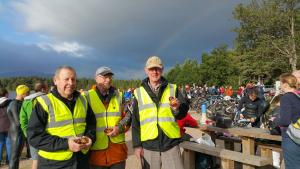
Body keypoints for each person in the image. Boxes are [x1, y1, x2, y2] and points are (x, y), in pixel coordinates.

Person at [27, 66, 96, 169]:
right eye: (66, 79)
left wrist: (90, 137)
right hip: (53, 163)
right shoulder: (44, 102)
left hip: (81, 160)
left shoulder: (83, 100)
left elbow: (92, 124)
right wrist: (66, 144)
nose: (71, 83)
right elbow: (34, 136)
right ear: (56, 81)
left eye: (73, 79)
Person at [132, 56, 188, 169]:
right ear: (146, 70)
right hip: (149, 146)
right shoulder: (138, 93)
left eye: (157, 69)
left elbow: (183, 113)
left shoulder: (173, 89)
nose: (155, 72)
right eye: (151, 69)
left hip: (170, 144)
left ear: (162, 70)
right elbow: (135, 122)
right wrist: (137, 146)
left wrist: (176, 109)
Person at [86, 66, 131, 169]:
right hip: (95, 155)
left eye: (110, 76)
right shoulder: (86, 97)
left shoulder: (120, 96)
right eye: (104, 76)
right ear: (96, 78)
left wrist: (119, 128)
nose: (108, 79)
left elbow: (128, 116)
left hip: (117, 154)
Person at [20, 82, 48, 169]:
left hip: (32, 134)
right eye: (46, 89)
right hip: (46, 134)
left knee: (35, 160)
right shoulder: (47, 99)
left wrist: (27, 133)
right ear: (43, 89)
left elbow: (22, 119)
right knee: (48, 159)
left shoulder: (26, 101)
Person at [7, 85, 29, 169]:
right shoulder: (15, 104)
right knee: (14, 157)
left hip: (16, 132)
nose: (28, 95)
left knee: (15, 157)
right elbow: (18, 122)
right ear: (22, 93)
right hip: (17, 134)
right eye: (27, 93)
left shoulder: (16, 103)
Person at [0, 88, 11, 166]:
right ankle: (9, 161)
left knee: (0, 144)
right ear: (6, 94)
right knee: (9, 144)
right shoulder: (11, 102)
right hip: (9, 126)